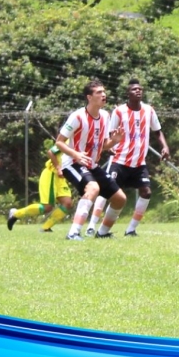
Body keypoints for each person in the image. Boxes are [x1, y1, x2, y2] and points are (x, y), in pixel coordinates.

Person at [86, 79, 170, 237]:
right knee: (107, 193)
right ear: (128, 94)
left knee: (146, 192)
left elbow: (157, 131)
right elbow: (110, 132)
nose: (138, 91)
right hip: (120, 161)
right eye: (134, 89)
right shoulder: (119, 111)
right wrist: (110, 146)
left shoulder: (149, 110)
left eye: (140, 89)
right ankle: (92, 226)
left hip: (139, 163)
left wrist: (164, 146)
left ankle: (130, 229)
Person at [55, 79, 126, 241]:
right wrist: (75, 154)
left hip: (91, 165)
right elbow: (59, 142)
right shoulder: (77, 116)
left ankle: (102, 233)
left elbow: (103, 145)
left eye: (104, 91)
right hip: (72, 163)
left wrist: (115, 140)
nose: (104, 95)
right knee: (93, 188)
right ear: (89, 97)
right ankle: (73, 233)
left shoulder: (105, 116)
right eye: (99, 92)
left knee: (120, 199)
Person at [7, 140, 73, 232]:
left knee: (68, 203)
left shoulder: (84, 143)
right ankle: (16, 213)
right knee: (47, 207)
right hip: (51, 174)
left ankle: (45, 228)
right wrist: (58, 168)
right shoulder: (68, 142)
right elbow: (50, 152)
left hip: (60, 178)